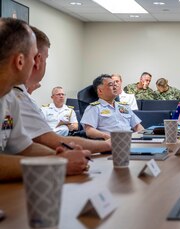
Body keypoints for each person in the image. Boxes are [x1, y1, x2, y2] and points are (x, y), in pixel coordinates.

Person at [0, 18, 90, 181]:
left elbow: (24, 147)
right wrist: (58, 163)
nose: (37, 63)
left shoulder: (10, 99)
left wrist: (63, 155)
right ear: (20, 61)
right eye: (34, 56)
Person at [14, 26, 111, 154]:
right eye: (45, 58)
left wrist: (61, 157)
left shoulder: (18, 95)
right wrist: (106, 145)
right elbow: (50, 140)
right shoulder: (16, 98)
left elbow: (26, 147)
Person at [81, 74, 144, 140]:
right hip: (111, 143)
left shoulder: (124, 107)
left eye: (115, 84)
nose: (115, 87)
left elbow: (137, 126)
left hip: (131, 141)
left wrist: (144, 137)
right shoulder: (94, 108)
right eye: (111, 85)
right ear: (100, 91)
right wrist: (105, 136)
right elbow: (89, 130)